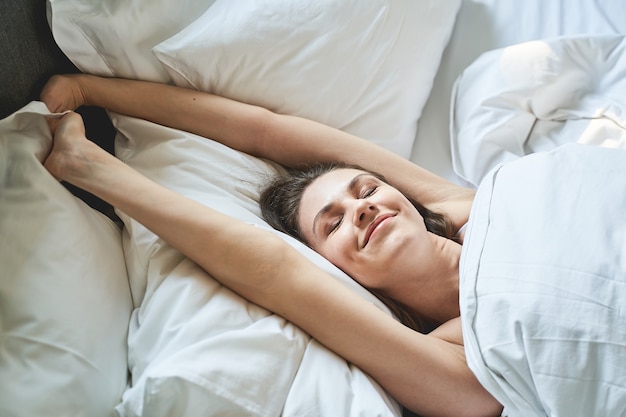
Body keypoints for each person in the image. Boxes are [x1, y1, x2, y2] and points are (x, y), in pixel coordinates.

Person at [40, 74, 503, 417]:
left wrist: (89, 89)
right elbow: (278, 274)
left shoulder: (471, 204)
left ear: (407, 199)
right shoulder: (465, 363)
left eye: (365, 191)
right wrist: (90, 168)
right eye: (333, 223)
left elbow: (264, 130)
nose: (360, 209)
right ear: (339, 272)